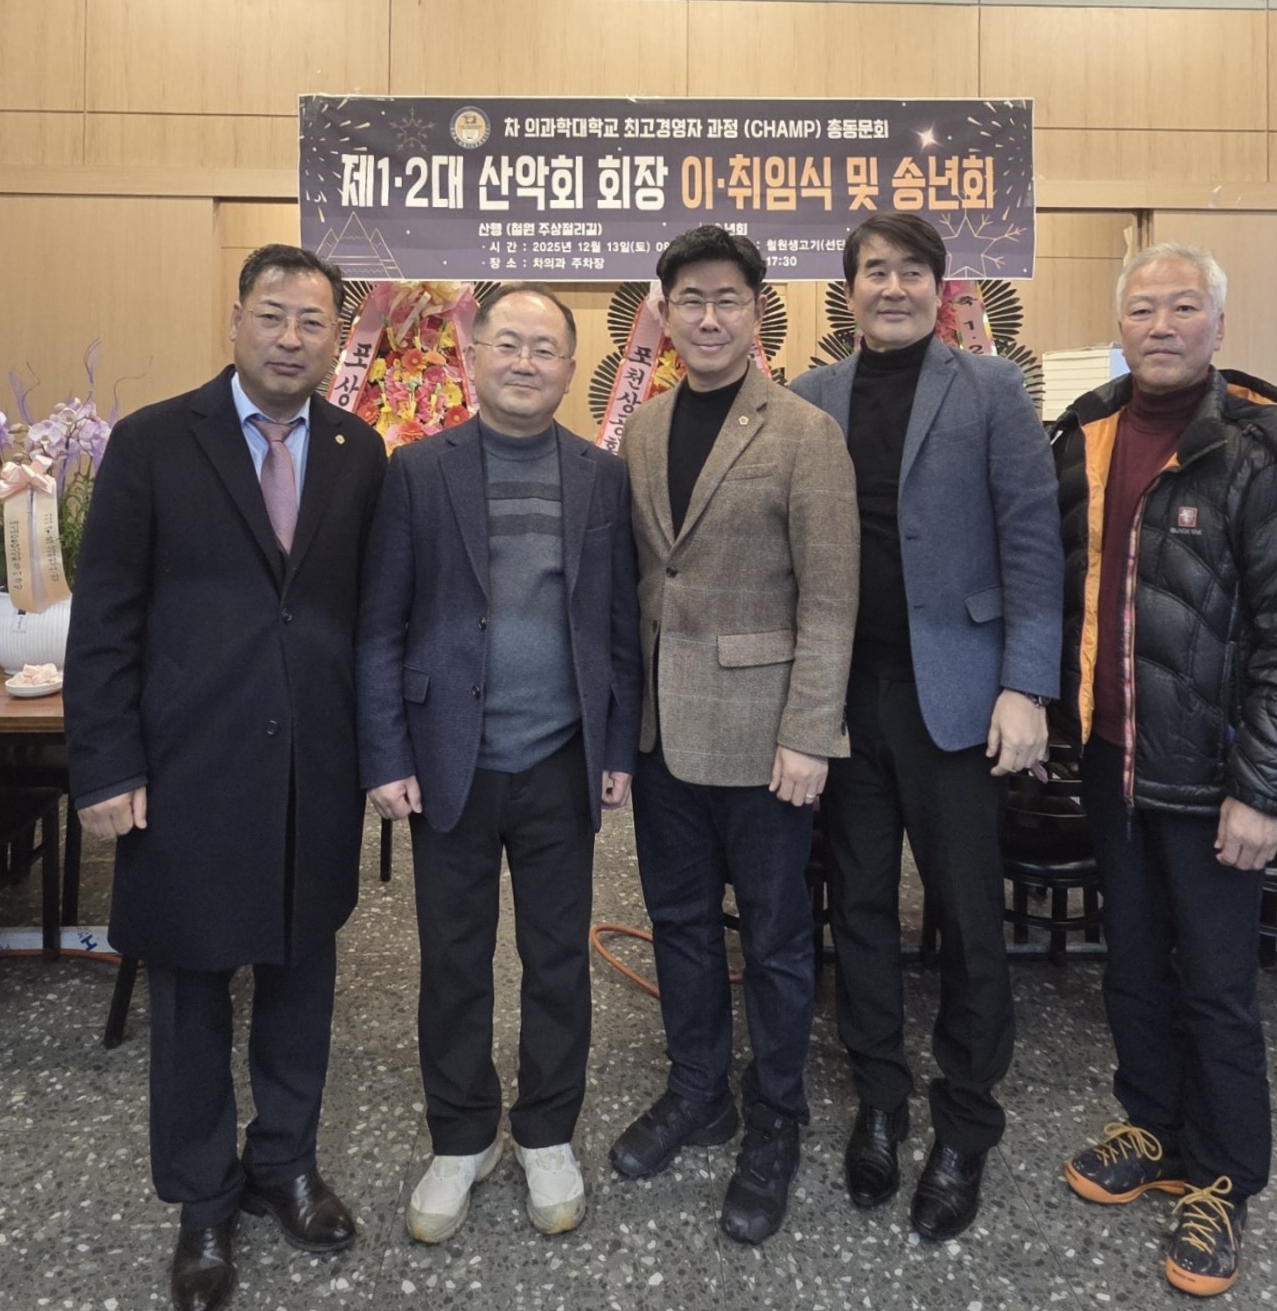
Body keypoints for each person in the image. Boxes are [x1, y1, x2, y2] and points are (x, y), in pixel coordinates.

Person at [65, 245, 385, 1311]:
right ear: (235, 320)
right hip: (186, 768)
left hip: (312, 767)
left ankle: (284, 1163)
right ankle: (202, 1202)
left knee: (301, 976)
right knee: (192, 994)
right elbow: (105, 615)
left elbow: (360, 612)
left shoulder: (357, 450)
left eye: (312, 321)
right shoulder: (156, 441)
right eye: (273, 315)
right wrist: (104, 761)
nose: (291, 338)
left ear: (336, 338)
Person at [1052, 243, 1277, 1297]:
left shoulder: (1263, 452)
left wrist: (1261, 792)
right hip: (1113, 764)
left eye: (1184, 308)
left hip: (1213, 779)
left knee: (1216, 987)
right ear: (1118, 325)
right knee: (1130, 966)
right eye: (1143, 309)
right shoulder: (1082, 434)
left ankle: (1223, 1177)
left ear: (1217, 326)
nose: (1162, 325)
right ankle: (1153, 1128)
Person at [789, 212, 1062, 1239]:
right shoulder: (811, 397)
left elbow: (1031, 544)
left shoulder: (991, 389)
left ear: (939, 289)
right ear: (849, 289)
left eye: (911, 271)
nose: (892, 287)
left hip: (957, 697)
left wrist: (1025, 685)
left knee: (966, 918)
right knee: (857, 910)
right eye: (874, 271)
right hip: (845, 700)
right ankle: (880, 1097)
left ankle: (965, 1121)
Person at [358, 284, 641, 1244]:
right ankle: (462, 1135)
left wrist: (616, 745)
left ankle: (547, 1131)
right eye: (508, 344)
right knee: (453, 959)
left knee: (557, 958)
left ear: (570, 367)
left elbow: (618, 625)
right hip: (449, 760)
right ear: (472, 356)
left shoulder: (602, 477)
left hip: (561, 756)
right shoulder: (416, 471)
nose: (525, 362)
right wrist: (385, 752)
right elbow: (380, 625)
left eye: (544, 348)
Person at [609, 225, 859, 1244]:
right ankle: (698, 1089)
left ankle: (776, 1118)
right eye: (690, 300)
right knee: (675, 921)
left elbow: (831, 600)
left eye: (727, 299)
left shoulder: (803, 432)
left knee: (777, 939)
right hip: (662, 731)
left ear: (756, 314)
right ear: (663, 314)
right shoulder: (641, 428)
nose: (707, 317)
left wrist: (809, 734)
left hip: (766, 741)